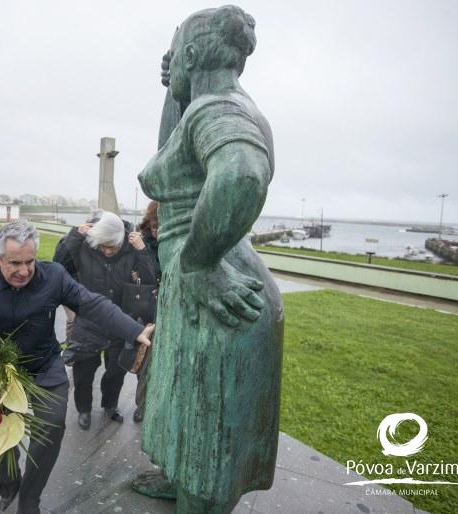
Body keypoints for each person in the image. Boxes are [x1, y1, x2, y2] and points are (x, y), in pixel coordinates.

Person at [135, 6, 284, 514]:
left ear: (193, 54)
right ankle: (184, 486)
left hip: (216, 292)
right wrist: (173, 87)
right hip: (213, 282)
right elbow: (176, 153)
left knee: (206, 426)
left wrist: (199, 265)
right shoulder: (210, 103)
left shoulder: (218, 108)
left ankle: (197, 501)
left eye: (175, 57)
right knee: (191, 415)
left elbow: (240, 175)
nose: (168, 64)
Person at [0, 220, 154, 514]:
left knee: (51, 425)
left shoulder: (54, 277)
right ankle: (9, 486)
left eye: (30, 261)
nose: (24, 271)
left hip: (44, 367)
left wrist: (132, 330)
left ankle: (29, 499)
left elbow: (92, 303)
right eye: (14, 263)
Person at [59, 211, 158, 429]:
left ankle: (110, 405)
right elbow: (59, 267)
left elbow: (152, 279)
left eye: (111, 247)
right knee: (84, 370)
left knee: (115, 371)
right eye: (102, 246)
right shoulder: (86, 243)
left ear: (121, 240)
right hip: (88, 321)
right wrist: (74, 236)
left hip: (120, 322)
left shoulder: (133, 247)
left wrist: (142, 251)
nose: (106, 251)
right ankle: (84, 409)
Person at [133, 201, 161, 423]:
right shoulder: (142, 243)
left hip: (170, 308)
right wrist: (142, 250)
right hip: (150, 310)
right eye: (154, 226)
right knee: (145, 362)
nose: (158, 231)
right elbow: (153, 275)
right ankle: (141, 405)